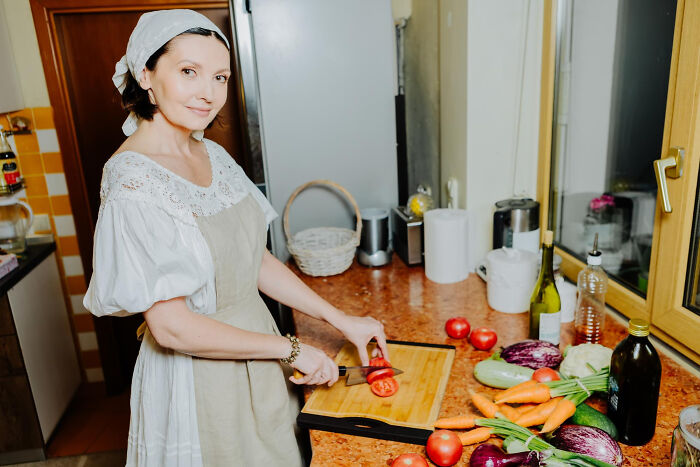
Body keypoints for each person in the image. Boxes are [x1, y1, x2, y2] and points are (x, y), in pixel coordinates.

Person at [84, 9, 389, 467]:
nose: (208, 94)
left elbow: (255, 259)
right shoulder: (131, 181)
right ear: (146, 74)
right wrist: (290, 348)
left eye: (220, 77)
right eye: (189, 72)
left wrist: (340, 319)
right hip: (199, 377)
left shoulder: (213, 154)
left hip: (258, 351)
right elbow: (172, 327)